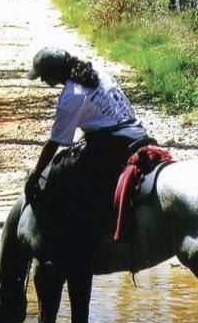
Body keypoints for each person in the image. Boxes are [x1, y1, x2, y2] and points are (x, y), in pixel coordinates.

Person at [24, 47, 150, 263]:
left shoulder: (71, 96)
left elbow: (55, 142)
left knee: (67, 183)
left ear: (55, 73)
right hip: (138, 134)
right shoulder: (98, 72)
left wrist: (35, 175)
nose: (43, 80)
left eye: (44, 75)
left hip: (114, 144)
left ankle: (78, 243)